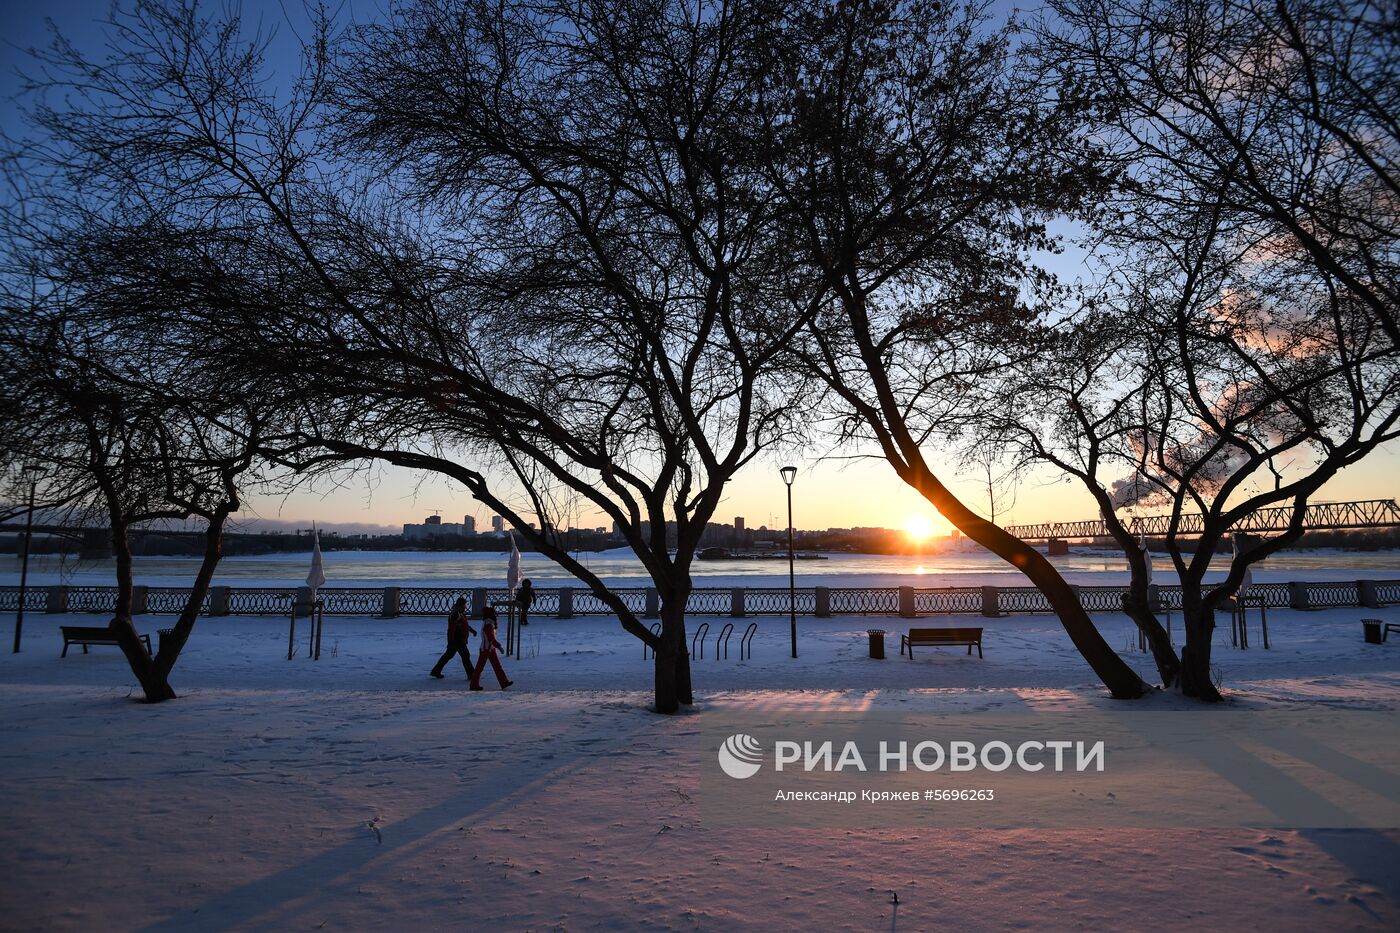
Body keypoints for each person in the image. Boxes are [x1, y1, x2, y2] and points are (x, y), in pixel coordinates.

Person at [430, 597, 476, 680]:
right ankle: (472, 675)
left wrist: (472, 631)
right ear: (460, 605)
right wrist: (451, 641)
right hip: (457, 640)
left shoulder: (460, 613)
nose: (465, 607)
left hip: (457, 640)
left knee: (448, 656)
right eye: (464, 605)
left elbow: (464, 625)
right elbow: (451, 628)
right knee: (465, 655)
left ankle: (436, 671)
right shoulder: (455, 614)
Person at [471, 606, 513, 690]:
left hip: (489, 648)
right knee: (481, 667)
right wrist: (499, 646)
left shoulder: (488, 623)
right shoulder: (488, 624)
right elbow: (491, 638)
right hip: (486, 649)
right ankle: (474, 685)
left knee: (496, 666)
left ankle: (504, 682)